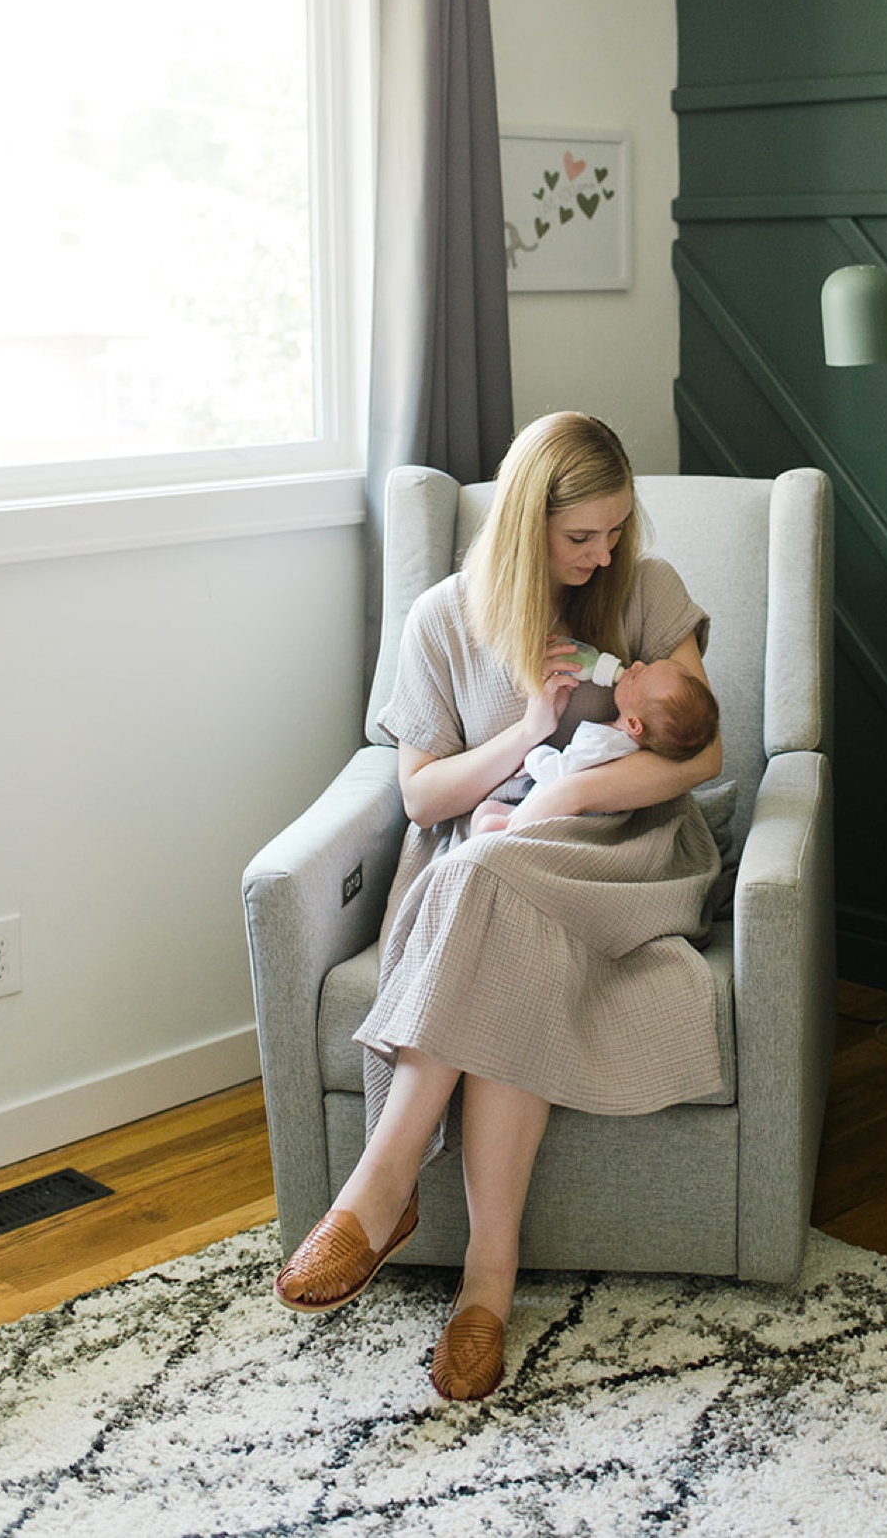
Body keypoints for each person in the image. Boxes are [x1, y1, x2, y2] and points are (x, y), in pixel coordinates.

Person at [274, 412, 724, 1405]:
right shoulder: (440, 619)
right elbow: (423, 797)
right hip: (491, 857)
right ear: (527, 526)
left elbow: (702, 749)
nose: (604, 553)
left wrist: (560, 796)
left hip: (622, 848)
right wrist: (526, 735)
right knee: (491, 897)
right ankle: (487, 1285)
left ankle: (377, 1192)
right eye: (581, 538)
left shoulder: (643, 589)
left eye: (615, 529)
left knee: (481, 878)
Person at [468, 658, 720, 834]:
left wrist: (533, 757)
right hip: (537, 809)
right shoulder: (625, 746)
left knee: (487, 822)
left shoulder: (605, 745)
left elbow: (559, 772)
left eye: (637, 676)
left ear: (634, 724)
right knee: (486, 811)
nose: (637, 664)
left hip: (548, 823)